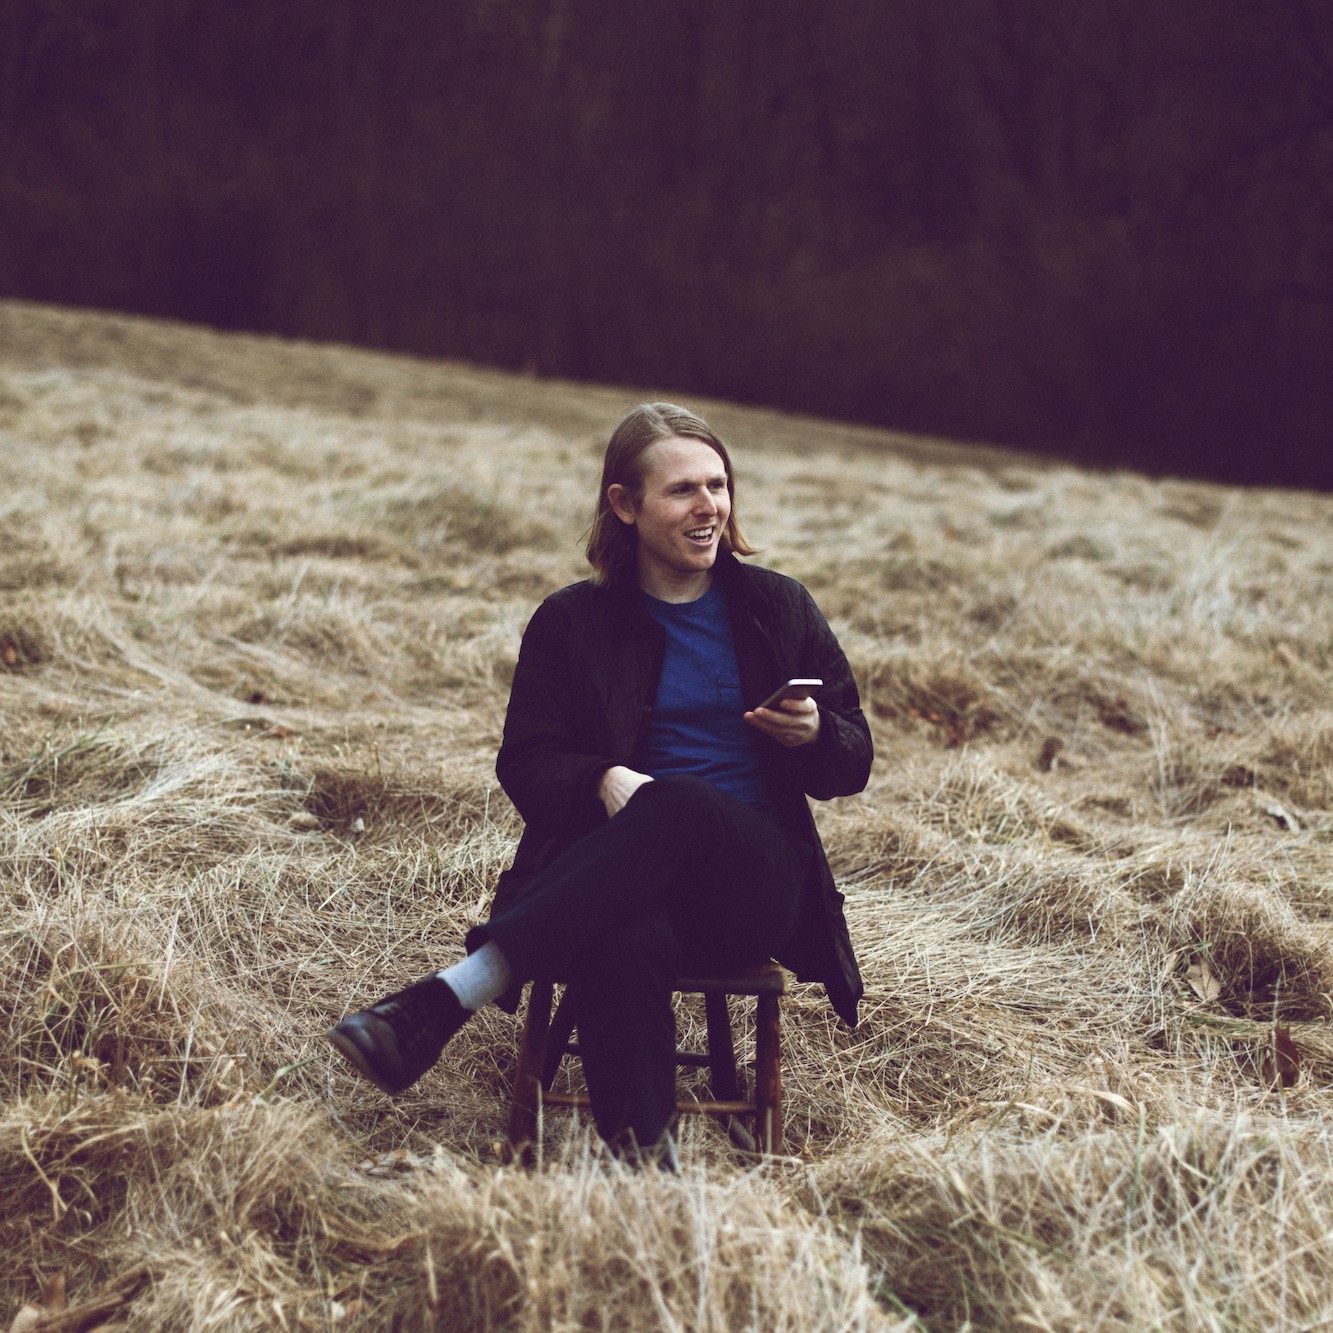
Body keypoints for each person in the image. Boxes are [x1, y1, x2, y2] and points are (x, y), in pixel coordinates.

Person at [328, 402, 872, 1159]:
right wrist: (601, 778)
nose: (708, 505)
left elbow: (855, 758)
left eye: (718, 485)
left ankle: (452, 993)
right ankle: (646, 1170)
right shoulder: (570, 622)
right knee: (620, 933)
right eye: (683, 489)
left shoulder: (772, 608)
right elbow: (525, 764)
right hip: (617, 879)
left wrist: (816, 735)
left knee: (677, 800)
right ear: (624, 504)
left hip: (754, 885)